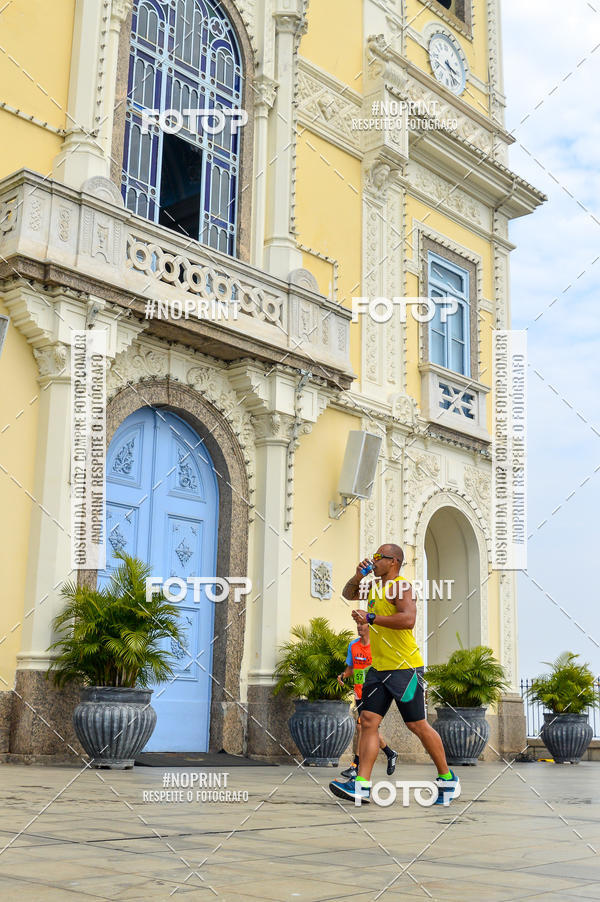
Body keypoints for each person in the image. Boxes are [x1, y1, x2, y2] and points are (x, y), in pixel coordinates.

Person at [329, 544, 460, 806]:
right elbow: (347, 593)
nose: (374, 561)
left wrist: (371, 617)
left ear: (394, 562)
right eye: (374, 556)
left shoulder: (401, 587)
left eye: (379, 557)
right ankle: (362, 785)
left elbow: (408, 619)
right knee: (368, 722)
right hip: (378, 669)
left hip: (405, 668)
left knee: (417, 725)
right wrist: (357, 576)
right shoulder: (372, 587)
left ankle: (447, 778)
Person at [337, 622, 397, 779]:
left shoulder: (377, 646)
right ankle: (390, 753)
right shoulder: (353, 645)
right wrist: (343, 675)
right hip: (359, 692)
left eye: (362, 624)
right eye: (357, 624)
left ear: (370, 627)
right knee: (368, 729)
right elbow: (351, 668)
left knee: (361, 727)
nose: (359, 626)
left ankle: (355, 766)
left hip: (374, 692)